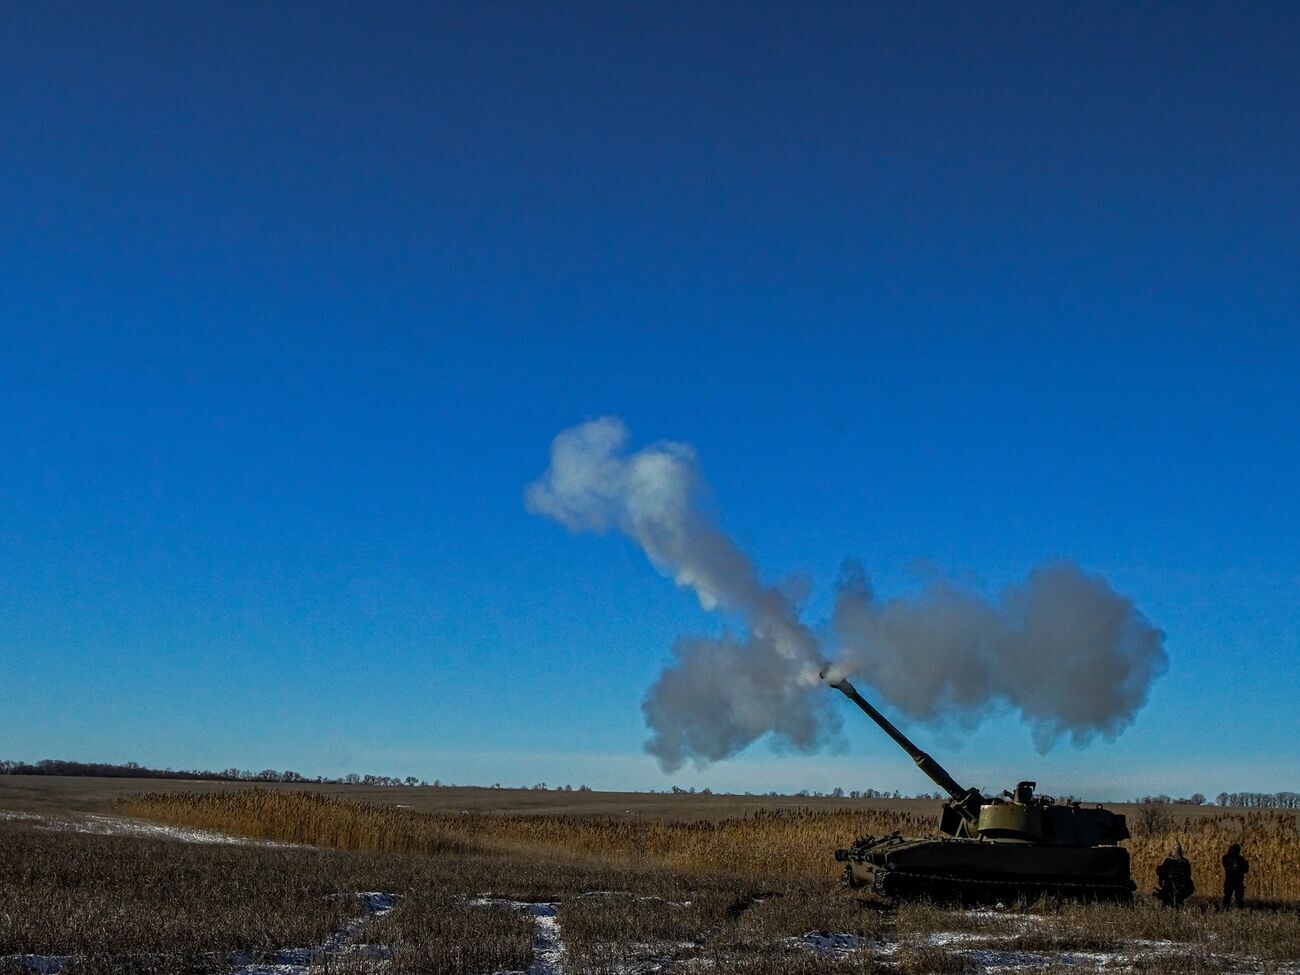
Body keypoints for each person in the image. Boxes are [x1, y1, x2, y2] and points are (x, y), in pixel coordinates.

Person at [1155, 843, 1195, 907]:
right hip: (1182, 888)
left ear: (1173, 850)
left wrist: (1159, 868)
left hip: (1170, 886)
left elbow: (1161, 871)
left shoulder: (1169, 860)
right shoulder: (1185, 862)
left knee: (1167, 904)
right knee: (1178, 903)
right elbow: (1188, 875)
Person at [1221, 843, 1248, 909]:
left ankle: (1239, 909)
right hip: (1231, 880)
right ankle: (1226, 909)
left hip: (1237, 880)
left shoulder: (1240, 859)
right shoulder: (1227, 858)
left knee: (1238, 898)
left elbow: (1245, 869)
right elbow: (1229, 866)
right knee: (1228, 897)